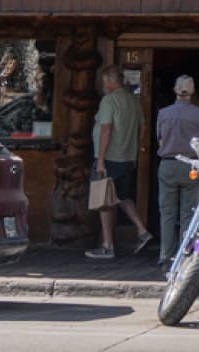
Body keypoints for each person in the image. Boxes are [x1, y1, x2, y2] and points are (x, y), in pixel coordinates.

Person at [87, 65, 152, 260]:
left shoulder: (109, 100)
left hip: (109, 158)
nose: (102, 85)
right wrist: (133, 148)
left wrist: (100, 161)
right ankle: (142, 231)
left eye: (103, 82)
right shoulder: (133, 100)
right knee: (123, 197)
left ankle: (107, 246)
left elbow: (106, 129)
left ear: (108, 81)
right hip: (126, 157)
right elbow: (143, 127)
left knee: (104, 201)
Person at [155, 75, 199, 265]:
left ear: (175, 90)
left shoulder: (163, 113)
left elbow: (160, 139)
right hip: (190, 164)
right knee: (188, 213)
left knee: (167, 213)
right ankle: (184, 254)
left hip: (168, 162)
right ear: (192, 91)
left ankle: (165, 255)